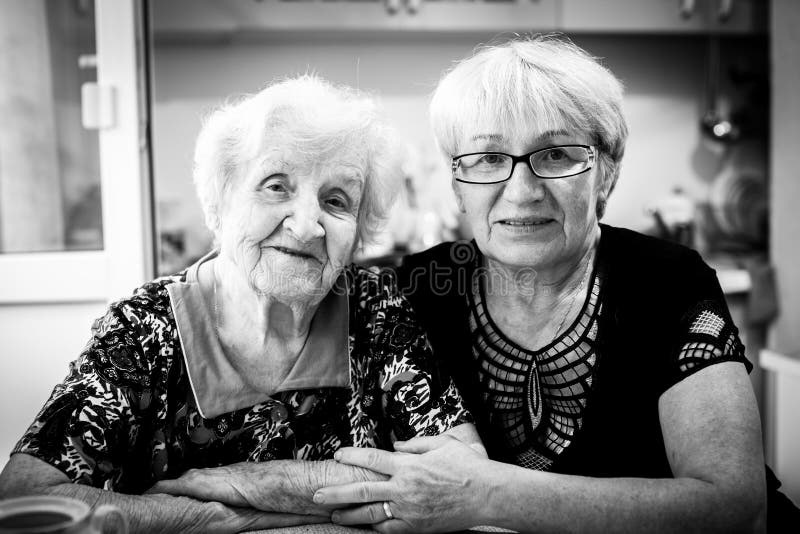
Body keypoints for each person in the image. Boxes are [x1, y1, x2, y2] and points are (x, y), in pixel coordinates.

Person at [311, 35, 796, 533]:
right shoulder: (411, 289)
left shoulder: (668, 280)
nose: (522, 191)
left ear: (605, 174)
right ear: (457, 185)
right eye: (489, 158)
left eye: (557, 154)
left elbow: (736, 509)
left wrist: (485, 493)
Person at [0, 75, 479, 533]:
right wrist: (203, 519)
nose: (307, 225)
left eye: (336, 201)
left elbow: (460, 477)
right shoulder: (144, 329)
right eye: (276, 186)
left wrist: (252, 486)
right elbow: (26, 500)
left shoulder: (375, 310)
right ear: (223, 199)